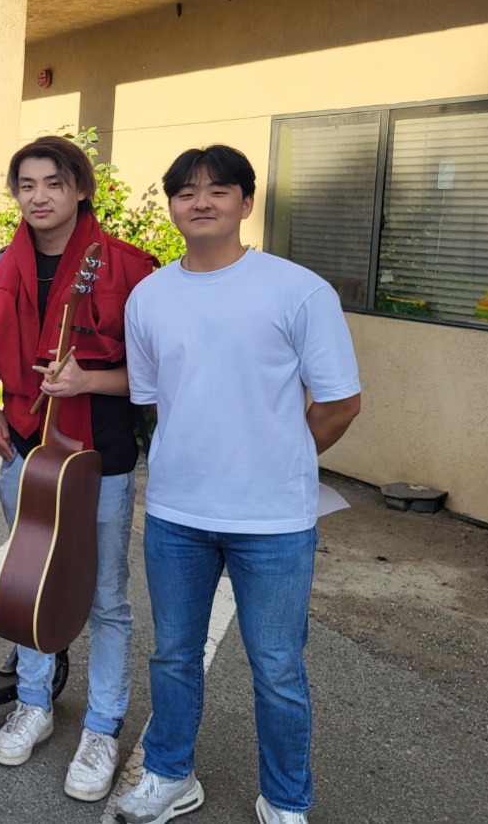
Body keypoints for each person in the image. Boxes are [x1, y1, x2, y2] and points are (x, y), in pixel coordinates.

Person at [115, 146, 361, 824]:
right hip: (176, 513)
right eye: (186, 192)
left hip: (273, 521)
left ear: (246, 202)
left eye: (219, 190)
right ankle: (169, 775)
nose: (201, 202)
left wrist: (280, 458)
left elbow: (341, 402)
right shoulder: (149, 296)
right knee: (173, 656)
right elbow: (154, 398)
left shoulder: (298, 290)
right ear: (172, 206)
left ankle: (285, 800)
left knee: (277, 669)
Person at [0, 135, 157, 797]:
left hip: (98, 457)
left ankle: (102, 727)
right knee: (32, 579)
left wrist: (90, 382)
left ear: (80, 189)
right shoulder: (3, 264)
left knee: (104, 597)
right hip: (25, 445)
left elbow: (160, 373)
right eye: (27, 184)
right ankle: (34, 703)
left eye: (54, 183)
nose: (39, 196)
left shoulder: (130, 267)